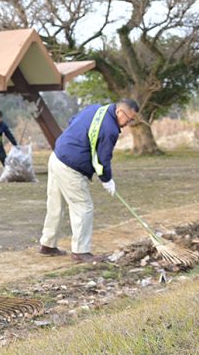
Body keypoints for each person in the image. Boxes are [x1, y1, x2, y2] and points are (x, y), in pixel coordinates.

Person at [39, 99, 140, 263]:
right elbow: (102, 160)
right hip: (70, 167)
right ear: (120, 112)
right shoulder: (110, 129)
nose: (128, 124)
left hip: (56, 157)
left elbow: (72, 121)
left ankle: (47, 244)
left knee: (55, 204)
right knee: (83, 207)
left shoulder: (95, 108)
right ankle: (80, 251)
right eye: (129, 119)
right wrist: (107, 180)